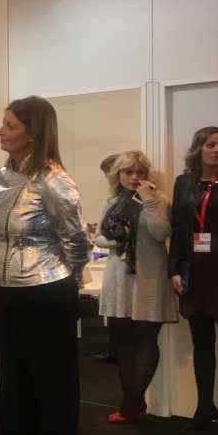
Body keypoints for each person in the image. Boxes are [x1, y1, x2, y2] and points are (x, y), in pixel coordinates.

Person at [0, 96, 91, 435]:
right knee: (14, 390)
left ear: (32, 133)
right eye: (3, 123)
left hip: (46, 296)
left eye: (10, 125)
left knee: (53, 393)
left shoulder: (54, 181)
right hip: (4, 293)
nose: (1, 131)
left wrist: (63, 285)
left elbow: (77, 243)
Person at [168, 126, 218, 434]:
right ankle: (204, 408)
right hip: (196, 268)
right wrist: (174, 269)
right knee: (201, 343)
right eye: (210, 144)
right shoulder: (183, 182)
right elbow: (178, 229)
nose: (217, 150)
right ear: (198, 148)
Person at [94, 150, 177, 423]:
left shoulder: (158, 198)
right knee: (124, 340)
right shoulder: (112, 201)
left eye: (140, 172)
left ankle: (129, 405)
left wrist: (149, 201)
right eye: (128, 172)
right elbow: (99, 238)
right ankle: (132, 401)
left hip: (149, 277)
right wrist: (118, 239)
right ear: (118, 174)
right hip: (119, 276)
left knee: (145, 339)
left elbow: (160, 233)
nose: (134, 177)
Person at [92, 154, 120, 364]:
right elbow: (101, 236)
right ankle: (115, 351)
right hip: (116, 264)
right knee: (115, 315)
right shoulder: (110, 201)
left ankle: (116, 351)